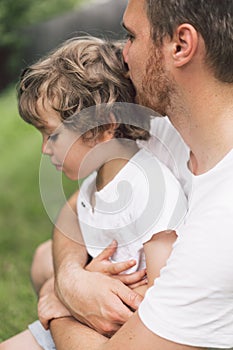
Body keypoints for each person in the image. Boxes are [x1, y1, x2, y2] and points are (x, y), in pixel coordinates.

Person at [22, 0, 233, 349]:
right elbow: (77, 207)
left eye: (130, 36)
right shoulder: (162, 131)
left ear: (181, 45)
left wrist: (58, 303)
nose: (121, 54)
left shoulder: (219, 230)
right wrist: (72, 280)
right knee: (46, 257)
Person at [0, 35, 187, 349]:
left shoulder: (149, 190)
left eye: (53, 134)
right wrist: (78, 282)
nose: (45, 149)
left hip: (116, 333)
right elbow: (72, 214)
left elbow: (167, 297)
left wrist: (69, 302)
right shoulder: (100, 181)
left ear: (104, 126)